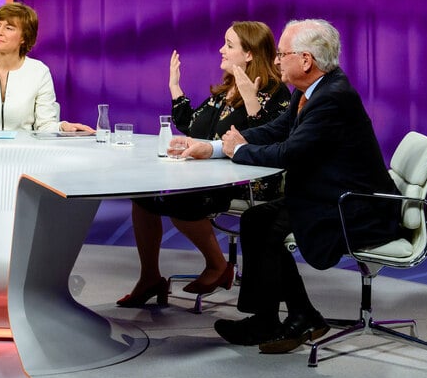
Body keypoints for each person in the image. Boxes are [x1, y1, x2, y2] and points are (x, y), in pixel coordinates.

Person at [168, 19, 400, 354]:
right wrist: (217, 148)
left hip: (357, 208)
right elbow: (276, 130)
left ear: (306, 60)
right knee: (257, 219)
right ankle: (284, 317)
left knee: (267, 223)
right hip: (327, 196)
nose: (277, 61)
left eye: (283, 54)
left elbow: (290, 152)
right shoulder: (311, 92)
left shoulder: (334, 97)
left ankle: (291, 317)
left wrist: (240, 150)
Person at [117, 21, 290, 308]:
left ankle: (217, 265)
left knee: (179, 201)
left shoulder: (275, 94)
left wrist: (249, 99)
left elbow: (266, 141)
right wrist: (175, 87)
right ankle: (150, 277)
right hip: (212, 173)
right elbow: (192, 125)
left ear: (249, 54)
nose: (221, 49)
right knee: (144, 196)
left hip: (250, 181)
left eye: (229, 45)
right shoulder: (225, 92)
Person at [0, 2, 92, 133]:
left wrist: (63, 127)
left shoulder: (39, 72)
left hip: (25, 151)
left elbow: (44, 125)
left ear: (24, 38)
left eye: (9, 28)